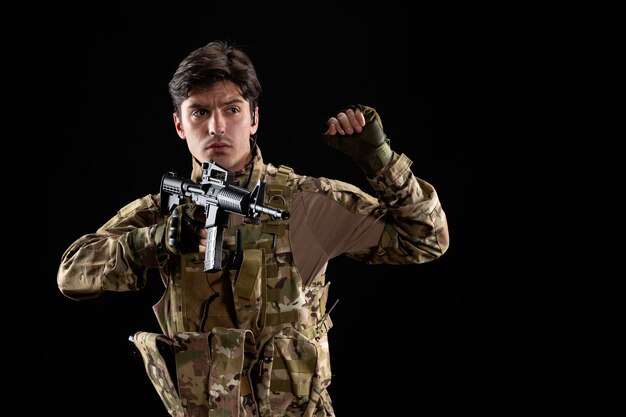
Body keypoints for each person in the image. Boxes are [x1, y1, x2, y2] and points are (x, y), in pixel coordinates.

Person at [57, 40, 450, 417]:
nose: (216, 127)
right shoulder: (166, 209)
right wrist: (149, 243)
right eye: (199, 112)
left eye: (231, 109)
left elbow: (427, 240)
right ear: (179, 124)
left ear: (254, 118)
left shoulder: (305, 201)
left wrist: (380, 162)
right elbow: (71, 275)